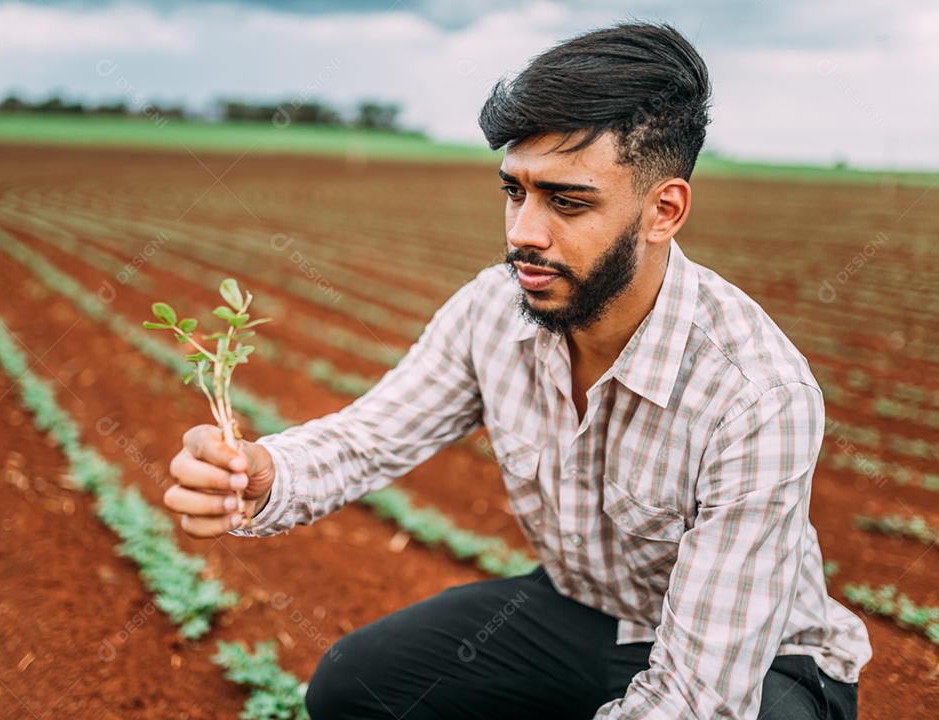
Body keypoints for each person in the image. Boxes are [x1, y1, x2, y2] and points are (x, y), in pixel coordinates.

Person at [164, 20, 871, 720]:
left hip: (765, 661)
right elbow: (367, 438)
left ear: (663, 211)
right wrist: (265, 477)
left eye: (567, 201)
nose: (523, 234)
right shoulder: (493, 311)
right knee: (355, 684)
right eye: (515, 191)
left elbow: (698, 699)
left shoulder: (757, 395)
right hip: (587, 612)